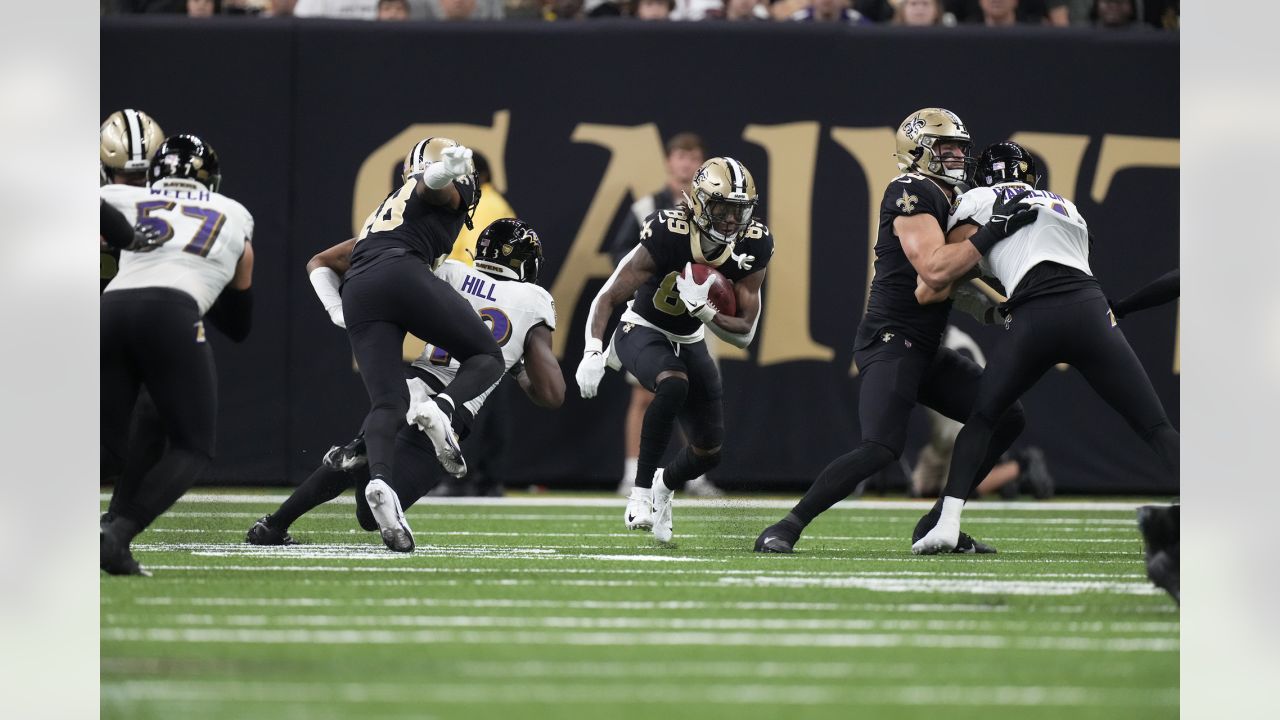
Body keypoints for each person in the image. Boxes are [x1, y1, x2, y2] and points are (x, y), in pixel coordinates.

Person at [755, 107, 1033, 555]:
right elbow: (934, 269)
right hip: (890, 338)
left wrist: (1004, 311)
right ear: (918, 151)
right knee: (881, 445)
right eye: (946, 148)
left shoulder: (951, 200)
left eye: (961, 148)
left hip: (925, 346)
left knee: (1007, 416)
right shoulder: (911, 189)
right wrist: (991, 233)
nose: (958, 156)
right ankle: (787, 526)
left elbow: (956, 283)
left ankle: (938, 521)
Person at [911, 141, 1179, 553]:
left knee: (983, 419)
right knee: (1156, 427)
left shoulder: (978, 198)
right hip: (1090, 311)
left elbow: (951, 263)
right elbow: (1070, 259)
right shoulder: (1066, 204)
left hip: (1034, 315)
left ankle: (947, 522)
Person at [249, 218, 562, 551]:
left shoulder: (450, 271)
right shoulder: (534, 298)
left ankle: (275, 523)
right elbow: (550, 393)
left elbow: (349, 267)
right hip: (453, 410)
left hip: (410, 388)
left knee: (373, 456)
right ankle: (370, 457)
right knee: (371, 515)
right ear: (529, 265)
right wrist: (516, 365)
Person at [577, 157, 774, 543]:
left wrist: (705, 311)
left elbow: (745, 333)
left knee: (709, 451)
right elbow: (607, 296)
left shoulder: (755, 243)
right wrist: (591, 351)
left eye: (739, 210)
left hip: (691, 339)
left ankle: (665, 484)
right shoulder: (668, 231)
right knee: (672, 383)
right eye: (722, 208)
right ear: (699, 203)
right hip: (642, 328)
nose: (732, 221)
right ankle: (640, 493)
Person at [100, 134, 256, 575]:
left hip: (108, 310)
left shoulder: (120, 196)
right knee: (191, 446)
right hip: (173, 312)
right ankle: (118, 533)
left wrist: (119, 236)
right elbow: (240, 322)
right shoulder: (233, 213)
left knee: (108, 450)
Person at [328, 137, 505, 518]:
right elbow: (432, 189)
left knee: (388, 402)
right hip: (403, 274)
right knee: (489, 356)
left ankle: (377, 481)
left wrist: (334, 307)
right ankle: (441, 409)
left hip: (358, 287)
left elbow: (320, 261)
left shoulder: (388, 210)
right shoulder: (431, 187)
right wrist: (443, 172)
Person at [609, 133, 722, 498]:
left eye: (693, 157)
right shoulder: (646, 207)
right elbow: (622, 259)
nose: (686, 164)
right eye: (680, 156)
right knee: (645, 396)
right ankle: (632, 472)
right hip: (653, 314)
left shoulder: (718, 210)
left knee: (697, 394)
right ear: (669, 161)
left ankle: (695, 475)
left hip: (698, 317)